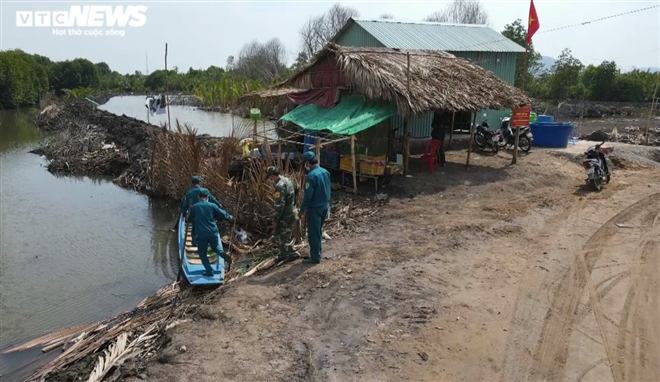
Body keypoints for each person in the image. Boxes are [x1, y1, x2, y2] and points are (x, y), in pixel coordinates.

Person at [187, 189, 233, 277]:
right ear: (207, 197)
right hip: (213, 232)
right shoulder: (212, 205)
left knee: (202, 254)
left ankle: (209, 271)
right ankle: (222, 254)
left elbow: (189, 220)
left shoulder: (195, 207)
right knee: (216, 247)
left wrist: (188, 217)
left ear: (199, 197)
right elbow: (222, 213)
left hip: (202, 234)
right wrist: (229, 217)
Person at [299, 152, 331, 264]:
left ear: (307, 163)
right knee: (318, 231)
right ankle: (318, 252)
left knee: (313, 233)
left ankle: (315, 257)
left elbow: (308, 196)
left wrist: (302, 210)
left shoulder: (311, 176)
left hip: (315, 209)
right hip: (324, 206)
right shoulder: (325, 172)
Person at [266, 166, 301, 262]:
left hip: (285, 215)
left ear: (272, 176)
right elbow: (297, 189)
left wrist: (275, 220)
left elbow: (279, 205)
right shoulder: (288, 180)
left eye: (270, 178)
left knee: (280, 235)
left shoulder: (279, 186)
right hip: (292, 211)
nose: (270, 180)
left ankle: (291, 254)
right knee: (286, 234)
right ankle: (283, 253)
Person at [181, 175, 221, 246]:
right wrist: (219, 205)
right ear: (199, 182)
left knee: (194, 228)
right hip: (206, 214)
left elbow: (185, 205)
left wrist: (184, 215)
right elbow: (213, 200)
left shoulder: (189, 193)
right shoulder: (205, 191)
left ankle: (195, 243)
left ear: (192, 183)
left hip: (194, 215)